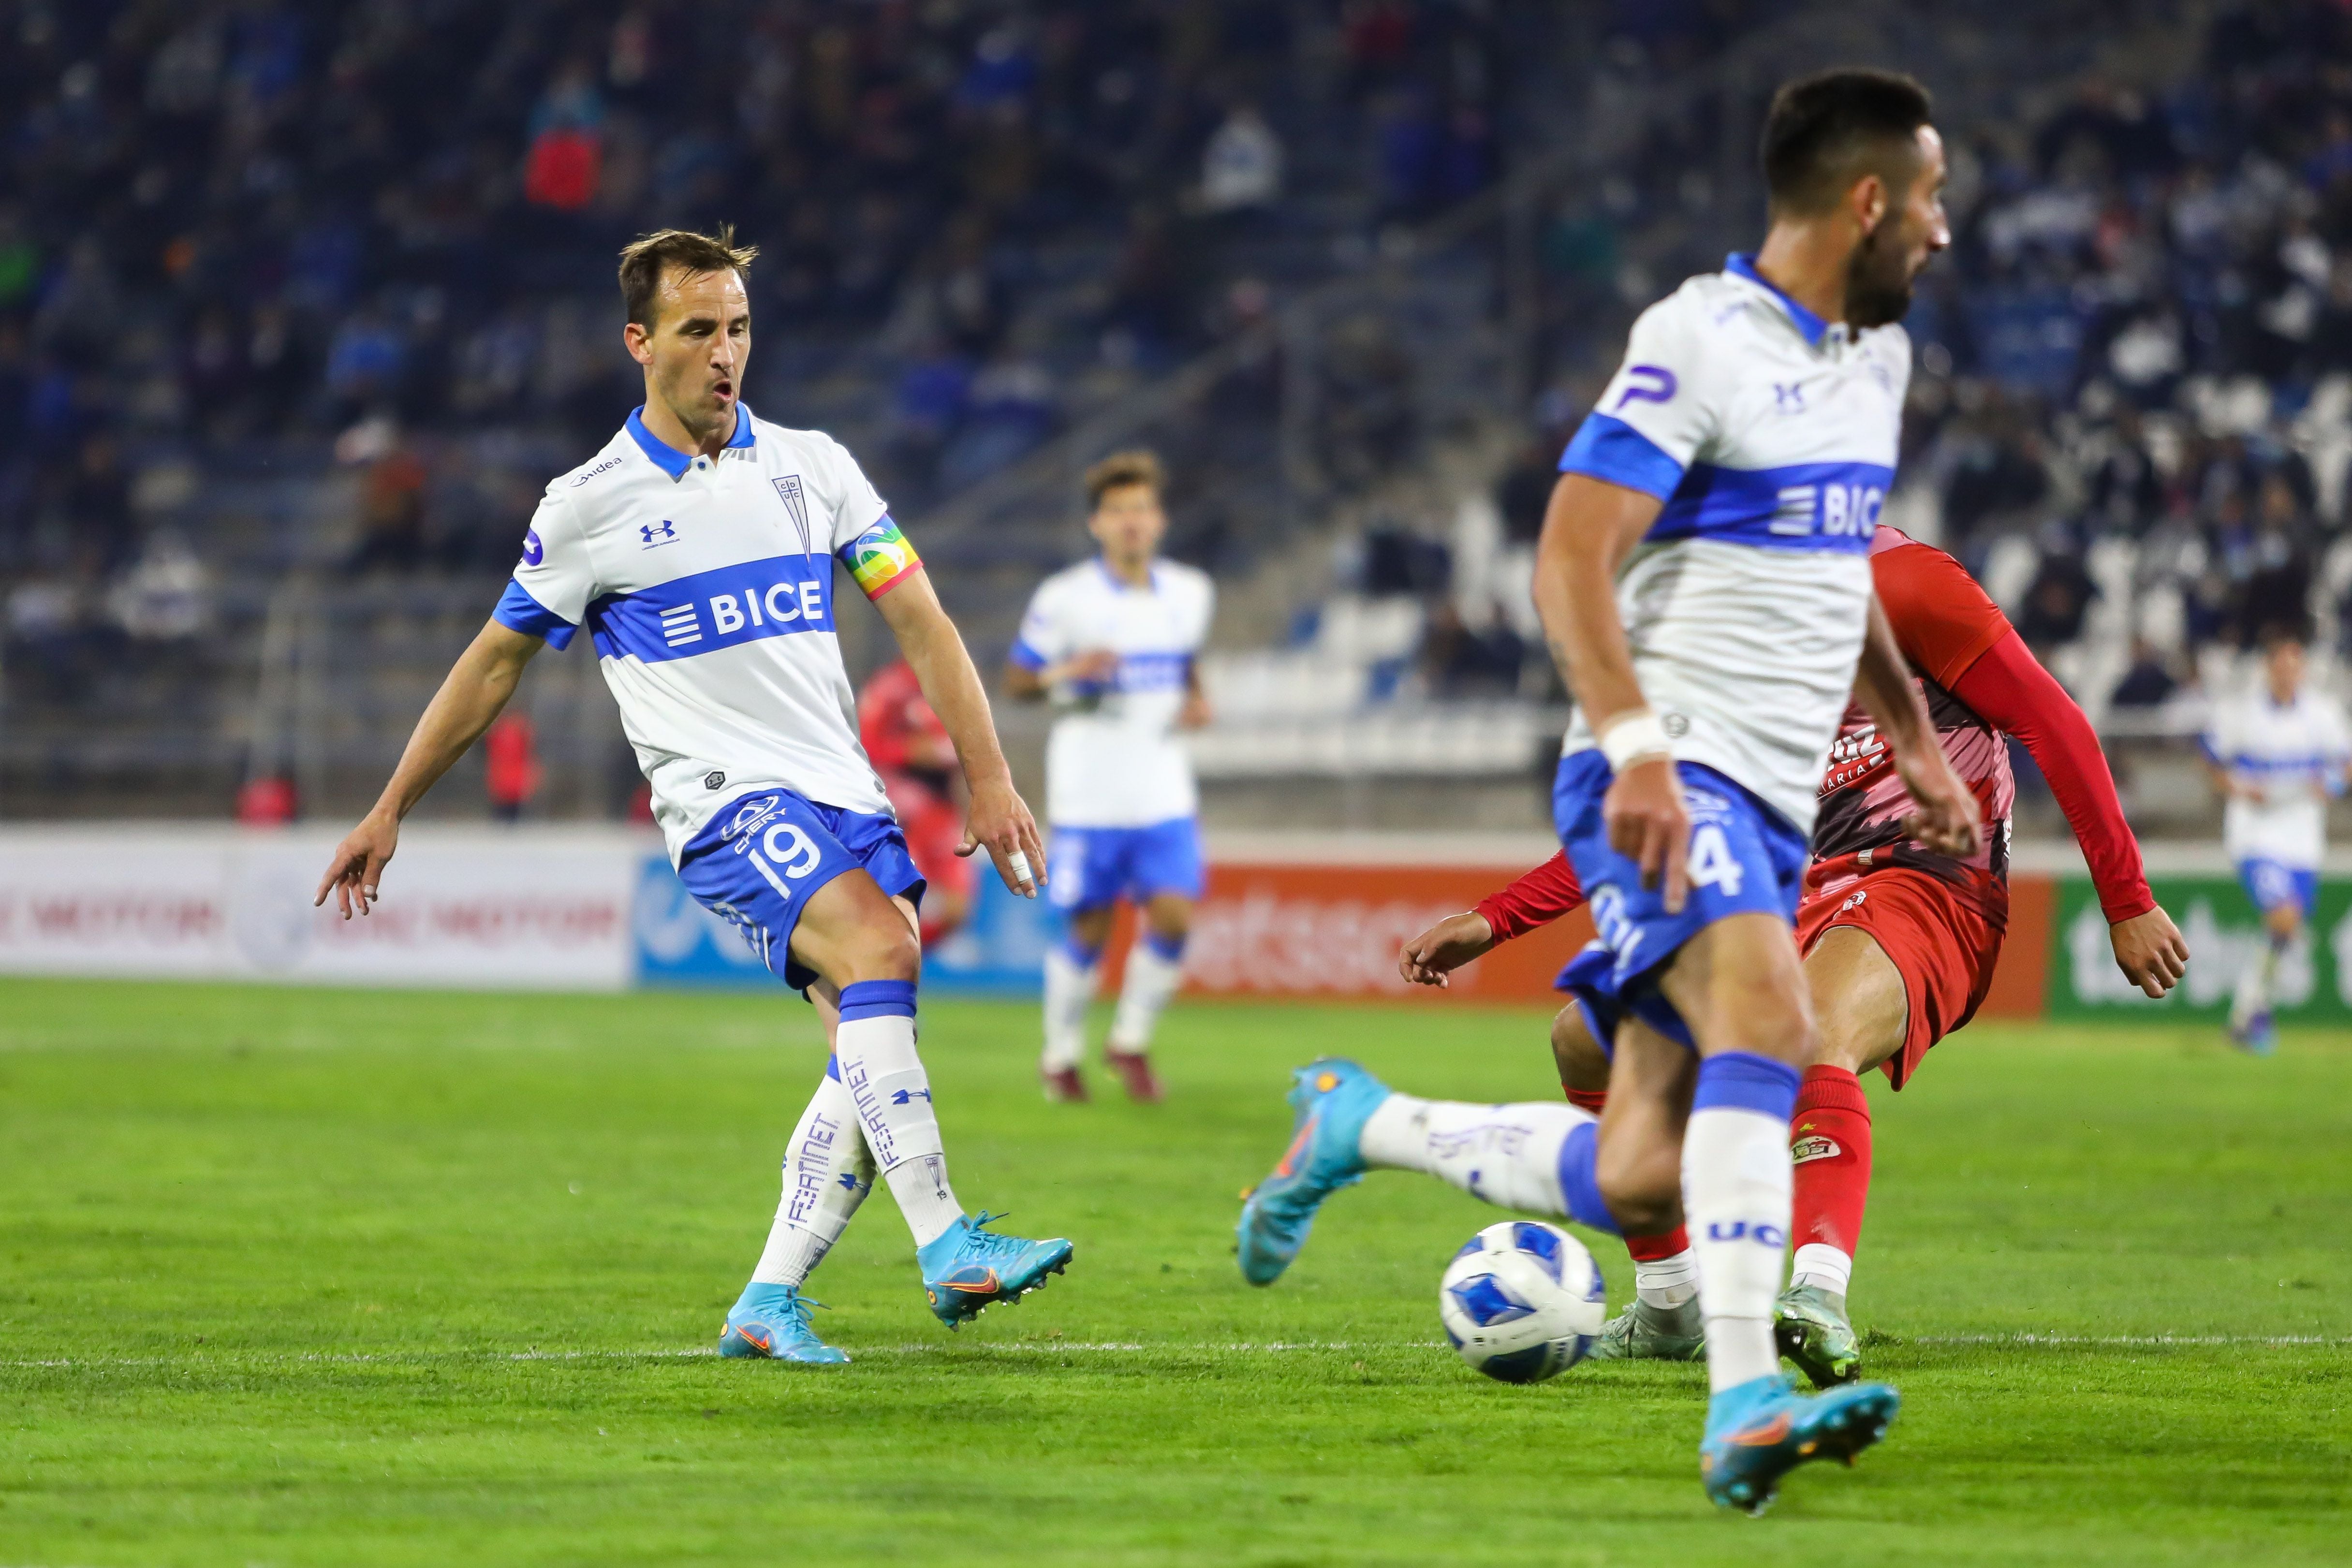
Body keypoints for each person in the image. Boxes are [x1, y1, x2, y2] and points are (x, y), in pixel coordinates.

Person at [1237, 70, 1982, 1513]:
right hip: (1664, 764)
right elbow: (1569, 557)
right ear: (1868, 199)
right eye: (1933, 200)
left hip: (1761, 802)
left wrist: (1903, 734)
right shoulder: (1694, 339)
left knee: (1646, 1175)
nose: (1943, 235)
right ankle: (1743, 1406)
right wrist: (1637, 745)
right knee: (1774, 1018)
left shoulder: (1870, 369)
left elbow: (1840, 573)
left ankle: (1363, 1121)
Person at [314, 227, 1073, 1367]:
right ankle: (947, 1242)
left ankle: (765, 1304)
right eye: (697, 331)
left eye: (738, 329)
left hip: (841, 792)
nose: (726, 354)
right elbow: (491, 665)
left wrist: (990, 770)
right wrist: (390, 808)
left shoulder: (814, 466)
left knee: (866, 1056)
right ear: (639, 343)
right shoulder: (589, 505)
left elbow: (920, 619)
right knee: (878, 949)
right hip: (724, 806)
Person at [1352, 523, 2185, 1391]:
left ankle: (1816, 1293)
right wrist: (1493, 920)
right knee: (1583, 1039)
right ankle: (1671, 1302)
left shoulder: (1902, 584)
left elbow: (2052, 722)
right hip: (1790, 899)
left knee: (1807, 1033)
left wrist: (2125, 900)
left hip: (1928, 881)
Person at [1005, 451, 1214, 1104]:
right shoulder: (1066, 598)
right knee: (1090, 929)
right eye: (1119, 511)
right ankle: (1060, 1054)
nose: (1132, 522)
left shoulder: (1190, 591)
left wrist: (1196, 696)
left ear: (1160, 520)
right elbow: (1017, 680)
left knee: (1175, 914)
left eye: (1142, 509)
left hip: (1162, 785)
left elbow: (1184, 663)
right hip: (1090, 792)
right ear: (1098, 523)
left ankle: (1129, 1040)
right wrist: (1068, 672)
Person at [2201, 627, 2352, 1054]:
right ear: (2268, 668)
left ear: (2302, 667)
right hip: (2256, 834)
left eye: (2293, 663)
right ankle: (2250, 1011)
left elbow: (2345, 765)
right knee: (2283, 916)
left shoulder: (2322, 715)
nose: (2286, 671)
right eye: (2279, 663)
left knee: (2286, 928)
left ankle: (2250, 1013)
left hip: (2303, 836)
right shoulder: (2243, 714)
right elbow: (2211, 758)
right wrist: (2236, 787)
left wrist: (2334, 786)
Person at [858, 658, 975, 946]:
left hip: (942, 810)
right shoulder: (891, 688)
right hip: (905, 811)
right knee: (898, 899)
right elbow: (867, 746)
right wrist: (912, 752)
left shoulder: (957, 685)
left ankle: (895, 957)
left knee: (956, 908)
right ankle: (881, 959)